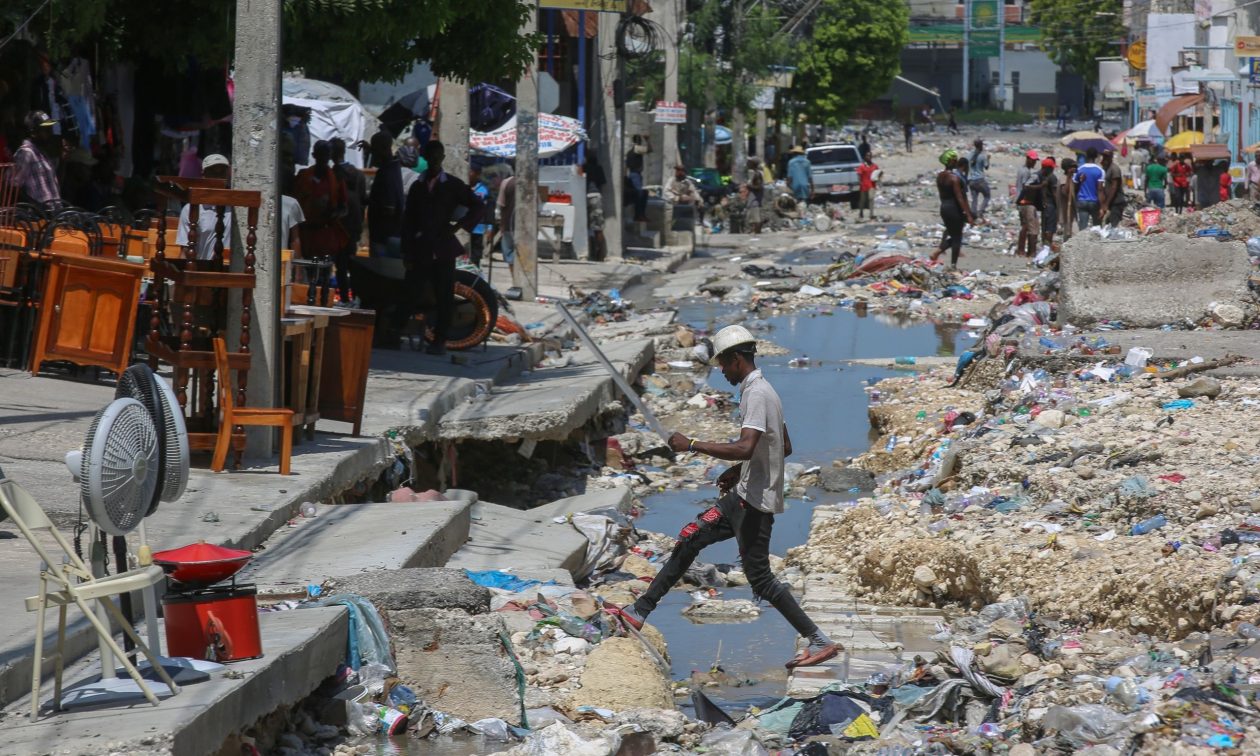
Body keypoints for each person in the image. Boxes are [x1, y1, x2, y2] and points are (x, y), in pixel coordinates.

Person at [606, 325, 841, 670]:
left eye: (723, 365)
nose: (722, 372)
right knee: (690, 539)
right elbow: (781, 446)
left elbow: (747, 446)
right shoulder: (761, 390)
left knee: (759, 578)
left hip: (753, 504)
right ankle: (641, 610)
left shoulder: (757, 394)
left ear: (736, 359)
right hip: (743, 494)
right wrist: (739, 471)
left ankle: (819, 640)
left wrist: (693, 444)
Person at [399, 140, 485, 355]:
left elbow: (478, 206)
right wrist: (406, 251)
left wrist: (458, 226)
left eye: (439, 155)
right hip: (420, 247)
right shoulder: (418, 186)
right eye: (431, 155)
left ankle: (440, 340)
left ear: (443, 158)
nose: (435, 159)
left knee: (444, 295)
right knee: (411, 291)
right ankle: (396, 331)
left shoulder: (453, 185)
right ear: (426, 158)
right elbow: (408, 221)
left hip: (443, 247)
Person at [294, 140, 350, 267]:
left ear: (330, 156)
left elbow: (344, 207)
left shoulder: (336, 178)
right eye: (321, 154)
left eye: (326, 154)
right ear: (314, 155)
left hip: (327, 234)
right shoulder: (304, 176)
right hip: (308, 235)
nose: (324, 158)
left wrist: (335, 214)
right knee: (312, 270)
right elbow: (295, 204)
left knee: (324, 271)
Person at [175, 153, 233, 261]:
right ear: (203, 174)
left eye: (222, 172)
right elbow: (185, 251)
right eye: (213, 172)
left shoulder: (236, 207)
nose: (218, 177)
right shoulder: (190, 209)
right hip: (203, 269)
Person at [330, 138, 367, 304]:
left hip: (338, 227)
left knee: (340, 265)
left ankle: (345, 297)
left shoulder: (332, 174)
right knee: (352, 263)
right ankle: (358, 296)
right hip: (353, 225)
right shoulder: (357, 174)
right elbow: (363, 200)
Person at [930, 149, 974, 268]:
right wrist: (968, 214)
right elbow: (960, 198)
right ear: (950, 161)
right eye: (954, 159)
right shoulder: (954, 178)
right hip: (954, 209)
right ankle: (952, 264)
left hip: (944, 208)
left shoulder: (940, 176)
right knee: (957, 237)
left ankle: (938, 252)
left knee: (953, 234)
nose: (956, 161)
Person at [10, 110, 62, 206]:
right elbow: (13, 187)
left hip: (54, 214)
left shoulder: (43, 153)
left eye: (50, 129)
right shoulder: (26, 153)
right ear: (33, 132)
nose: (50, 133)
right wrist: (36, 207)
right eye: (45, 130)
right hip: (38, 217)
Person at [367, 131, 405, 258]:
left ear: (383, 149)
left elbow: (389, 209)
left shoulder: (387, 174)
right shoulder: (392, 168)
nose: (372, 154)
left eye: (374, 150)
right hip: (387, 237)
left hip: (384, 238)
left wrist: (370, 202)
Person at [1014, 150, 1040, 258]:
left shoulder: (1023, 169)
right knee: (1026, 226)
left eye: (1035, 160)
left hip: (1022, 201)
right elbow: (1026, 187)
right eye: (1032, 160)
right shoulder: (1026, 172)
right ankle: (1021, 250)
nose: (1034, 162)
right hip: (1024, 201)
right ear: (1028, 159)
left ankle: (1022, 250)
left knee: (1025, 225)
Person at [1073, 147, 1105, 229]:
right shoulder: (1100, 171)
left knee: (1083, 227)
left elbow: (1075, 187)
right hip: (1094, 202)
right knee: (1097, 228)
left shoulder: (1079, 169)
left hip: (1082, 201)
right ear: (1096, 156)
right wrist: (1102, 207)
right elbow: (1100, 190)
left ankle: (1082, 241)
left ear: (1086, 156)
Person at [583, 154, 607, 261]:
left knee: (584, 226)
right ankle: (600, 255)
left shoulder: (583, 167)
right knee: (598, 228)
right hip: (596, 196)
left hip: (584, 196)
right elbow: (602, 183)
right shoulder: (599, 168)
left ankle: (588, 253)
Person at [467, 165, 490, 267]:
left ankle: (475, 271)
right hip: (464, 226)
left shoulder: (484, 189)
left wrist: (490, 227)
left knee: (476, 254)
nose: (468, 174)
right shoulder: (463, 187)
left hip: (478, 227)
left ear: (477, 174)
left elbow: (488, 209)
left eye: (471, 172)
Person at [494, 171, 517, 276]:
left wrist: (498, 219)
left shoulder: (506, 182)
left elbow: (500, 204)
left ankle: (514, 278)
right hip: (526, 227)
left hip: (508, 224)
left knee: (509, 253)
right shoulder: (530, 183)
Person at [625, 134, 650, 222]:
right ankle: (639, 215)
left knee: (641, 194)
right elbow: (649, 150)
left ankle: (640, 215)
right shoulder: (637, 149)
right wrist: (647, 140)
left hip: (633, 174)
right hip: (635, 174)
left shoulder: (630, 151)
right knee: (640, 195)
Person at [1099, 149, 1126, 227]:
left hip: (1116, 201)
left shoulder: (1114, 169)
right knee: (1107, 225)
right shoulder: (1106, 168)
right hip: (1110, 201)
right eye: (1104, 157)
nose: (1105, 158)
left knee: (1114, 224)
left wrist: (1106, 204)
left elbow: (1114, 187)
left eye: (1106, 157)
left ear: (1111, 157)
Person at [967, 138, 990, 219]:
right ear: (981, 145)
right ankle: (980, 212)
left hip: (971, 180)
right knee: (987, 196)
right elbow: (986, 167)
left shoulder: (969, 155)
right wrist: (988, 159)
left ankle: (973, 214)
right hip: (979, 179)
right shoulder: (982, 156)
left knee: (974, 199)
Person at [1039, 157, 1059, 247]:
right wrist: (1059, 207)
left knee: (1044, 227)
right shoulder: (1052, 177)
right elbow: (1055, 194)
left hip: (1045, 205)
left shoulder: (1043, 177)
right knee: (1050, 228)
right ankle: (1047, 247)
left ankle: (1044, 245)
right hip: (1051, 206)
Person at [1058, 158, 1077, 243]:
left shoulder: (1074, 178)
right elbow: (1065, 192)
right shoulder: (1063, 178)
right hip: (1066, 210)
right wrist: (1069, 177)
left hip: (1073, 209)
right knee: (1068, 231)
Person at [856, 154, 878, 220]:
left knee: (871, 199)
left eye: (869, 156)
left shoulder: (875, 166)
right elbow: (859, 174)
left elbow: (878, 174)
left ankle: (871, 214)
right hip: (864, 185)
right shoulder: (862, 166)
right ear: (865, 157)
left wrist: (877, 181)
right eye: (867, 156)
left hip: (872, 185)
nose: (868, 157)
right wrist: (860, 182)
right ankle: (861, 212)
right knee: (863, 200)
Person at [746, 158, 765, 234]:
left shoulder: (757, 174)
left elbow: (759, 186)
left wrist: (749, 186)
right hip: (754, 197)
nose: (747, 165)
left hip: (755, 197)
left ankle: (757, 232)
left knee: (755, 217)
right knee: (753, 216)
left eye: (749, 163)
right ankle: (755, 231)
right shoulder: (755, 173)